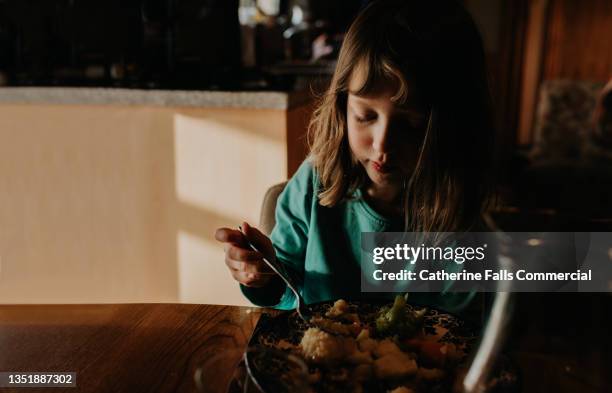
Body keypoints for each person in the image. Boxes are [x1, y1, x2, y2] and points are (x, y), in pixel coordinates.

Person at [215, 0, 494, 315]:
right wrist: (264, 277)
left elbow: (458, 335)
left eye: (411, 124)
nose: (382, 145)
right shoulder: (312, 184)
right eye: (364, 115)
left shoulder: (462, 221)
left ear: (456, 128)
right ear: (342, 106)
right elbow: (288, 290)